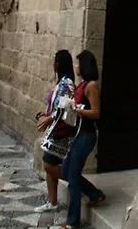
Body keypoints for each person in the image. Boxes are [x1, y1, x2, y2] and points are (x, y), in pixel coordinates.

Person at [60, 50, 105, 229]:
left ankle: (73, 221)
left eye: (78, 63)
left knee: (72, 177)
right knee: (66, 170)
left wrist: (78, 110)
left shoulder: (91, 86)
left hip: (86, 136)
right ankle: (94, 194)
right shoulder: (81, 84)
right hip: (77, 135)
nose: (76, 66)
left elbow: (96, 112)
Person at [34, 50, 76, 213]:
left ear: (59, 64)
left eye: (55, 61)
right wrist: (46, 112)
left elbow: (65, 107)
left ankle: (78, 182)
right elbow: (56, 104)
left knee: (48, 164)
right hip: (54, 129)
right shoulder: (62, 82)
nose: (53, 64)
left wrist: (50, 118)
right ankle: (52, 201)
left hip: (60, 131)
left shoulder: (67, 83)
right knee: (49, 163)